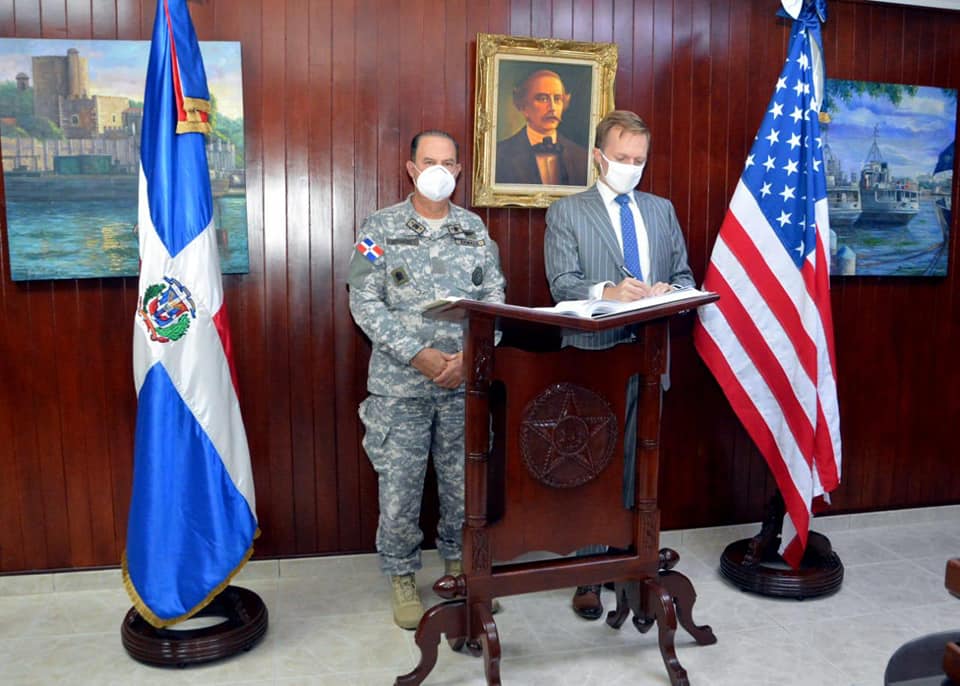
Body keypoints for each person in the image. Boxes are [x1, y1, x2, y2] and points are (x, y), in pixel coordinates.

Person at [348, 130, 506, 630]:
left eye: (448, 162)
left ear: (458, 171)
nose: (439, 170)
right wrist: (417, 354)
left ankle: (459, 567)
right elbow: (363, 300)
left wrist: (468, 357)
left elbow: (496, 300)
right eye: (429, 161)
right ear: (412, 169)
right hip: (401, 386)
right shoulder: (379, 227)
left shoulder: (474, 229)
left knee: (463, 484)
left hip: (463, 382)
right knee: (400, 488)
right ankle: (400, 575)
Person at [543, 109, 694, 621]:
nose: (631, 166)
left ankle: (633, 566)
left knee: (639, 465)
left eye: (639, 159)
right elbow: (561, 282)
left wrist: (667, 291)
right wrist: (608, 291)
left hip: (650, 355)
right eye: (621, 158)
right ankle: (587, 577)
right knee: (591, 465)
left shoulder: (661, 209)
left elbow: (683, 274)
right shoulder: (568, 212)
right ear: (598, 157)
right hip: (592, 357)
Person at [495, 69, 589, 186]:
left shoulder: (582, 157)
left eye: (557, 99)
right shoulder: (499, 156)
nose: (552, 107)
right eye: (543, 98)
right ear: (524, 106)